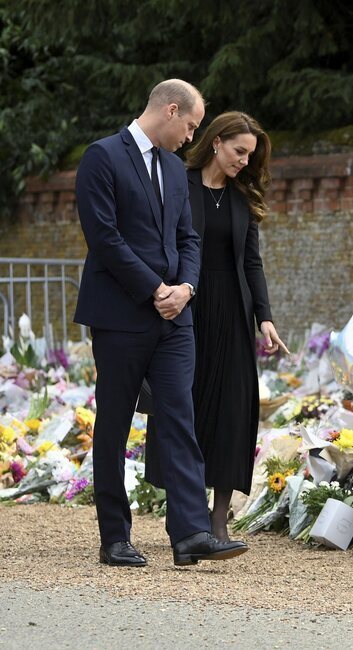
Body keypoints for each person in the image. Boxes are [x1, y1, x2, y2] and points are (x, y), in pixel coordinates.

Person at [74, 79, 248, 567]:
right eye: (190, 126)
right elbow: (104, 239)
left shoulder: (174, 168)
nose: (191, 137)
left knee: (179, 418)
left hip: (176, 317)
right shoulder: (102, 157)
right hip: (120, 315)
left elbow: (189, 238)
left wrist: (186, 289)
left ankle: (190, 533)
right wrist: (155, 290)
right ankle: (115, 537)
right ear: (171, 111)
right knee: (114, 423)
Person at [144, 112, 289, 541]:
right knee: (182, 409)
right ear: (215, 142)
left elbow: (251, 261)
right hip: (184, 313)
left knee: (231, 411)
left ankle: (218, 519)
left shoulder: (243, 197)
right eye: (239, 151)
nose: (245, 161)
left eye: (250, 155)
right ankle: (182, 516)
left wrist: (264, 317)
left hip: (233, 317)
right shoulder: (177, 183)